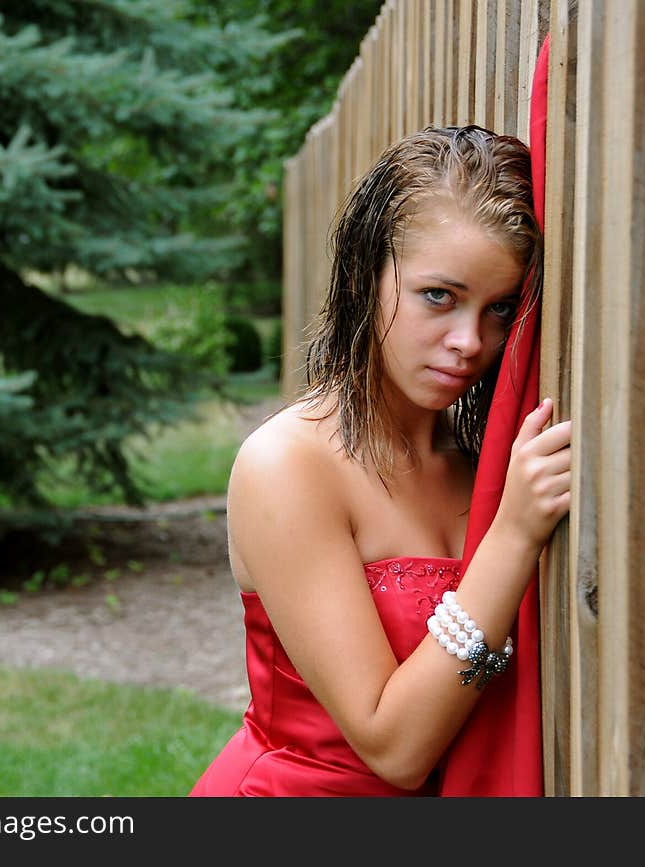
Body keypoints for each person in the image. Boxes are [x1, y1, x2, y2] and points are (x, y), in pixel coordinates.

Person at [189, 125, 572, 797]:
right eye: (439, 296)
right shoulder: (288, 466)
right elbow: (392, 746)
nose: (469, 342)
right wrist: (512, 537)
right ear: (368, 274)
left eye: (499, 309)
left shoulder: (479, 466)